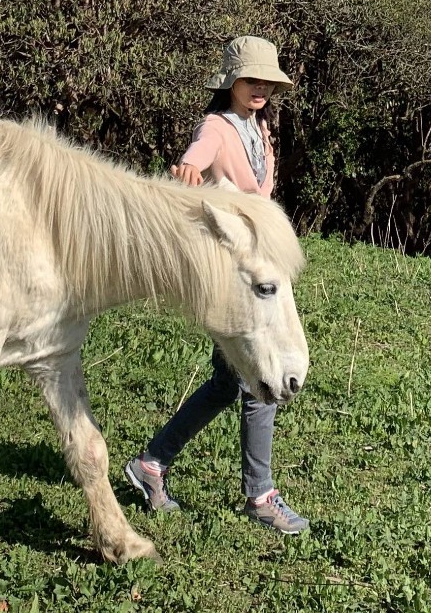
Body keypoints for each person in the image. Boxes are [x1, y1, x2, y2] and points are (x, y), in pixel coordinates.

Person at [122, 36, 310, 534]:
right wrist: (190, 166)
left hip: (254, 271)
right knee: (257, 383)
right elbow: (199, 153)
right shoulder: (218, 127)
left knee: (229, 384)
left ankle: (152, 463)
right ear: (230, 81)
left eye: (267, 83)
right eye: (252, 80)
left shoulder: (260, 129)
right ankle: (260, 495)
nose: (261, 89)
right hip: (231, 277)